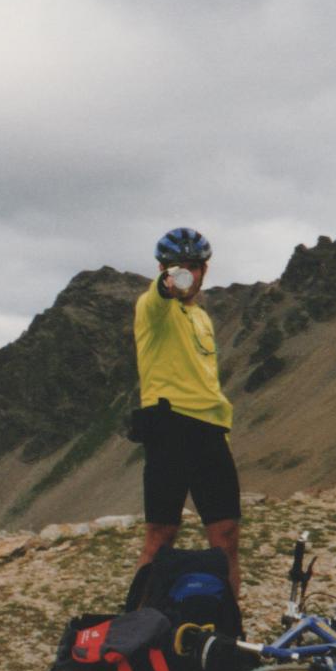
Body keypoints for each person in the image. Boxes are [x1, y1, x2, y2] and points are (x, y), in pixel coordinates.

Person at [131, 226, 242, 597]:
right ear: (162, 267)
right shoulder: (152, 307)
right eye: (177, 265)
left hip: (210, 429)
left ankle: (229, 630)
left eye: (193, 266)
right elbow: (162, 292)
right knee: (161, 535)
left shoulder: (201, 318)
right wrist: (168, 283)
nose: (186, 273)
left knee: (226, 535)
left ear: (204, 270)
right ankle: (139, 625)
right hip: (169, 425)